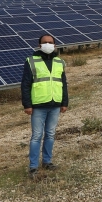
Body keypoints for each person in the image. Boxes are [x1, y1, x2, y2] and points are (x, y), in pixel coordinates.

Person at [22, 34, 68, 178]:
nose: (48, 44)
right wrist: (27, 104)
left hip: (55, 105)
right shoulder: (31, 61)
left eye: (50, 42)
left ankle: (47, 161)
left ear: (55, 45)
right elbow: (25, 84)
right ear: (39, 45)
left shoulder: (60, 62)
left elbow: (63, 84)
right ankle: (33, 166)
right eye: (45, 42)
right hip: (38, 105)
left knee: (50, 134)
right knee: (36, 136)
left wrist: (65, 102)